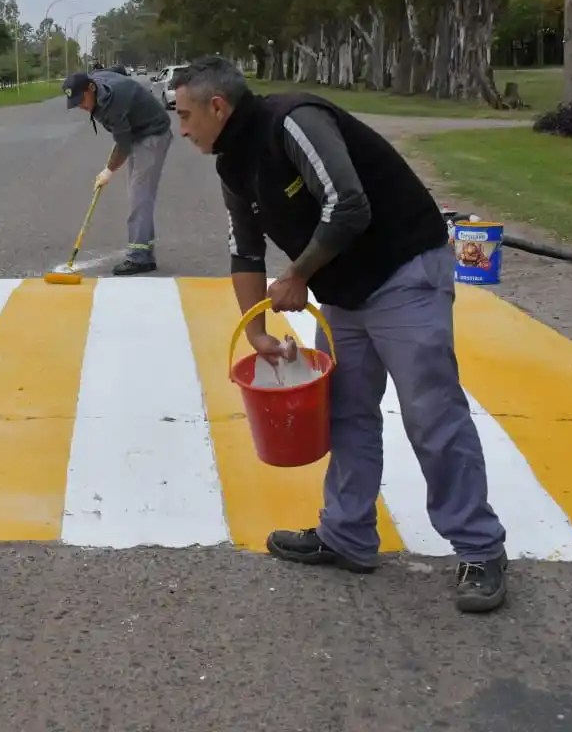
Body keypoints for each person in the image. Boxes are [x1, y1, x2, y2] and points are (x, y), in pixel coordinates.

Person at [168, 56, 508, 614]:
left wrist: (299, 274)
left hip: (403, 272)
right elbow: (245, 251)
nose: (182, 129)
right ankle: (348, 535)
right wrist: (255, 331)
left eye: (185, 116)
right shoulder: (232, 165)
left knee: (431, 412)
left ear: (218, 106)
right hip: (345, 292)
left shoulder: (293, 121)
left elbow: (348, 204)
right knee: (345, 408)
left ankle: (479, 548)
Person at [62, 68, 174, 275]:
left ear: (92, 88)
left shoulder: (114, 103)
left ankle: (140, 258)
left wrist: (109, 171)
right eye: (75, 103)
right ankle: (145, 252)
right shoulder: (97, 86)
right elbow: (114, 71)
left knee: (140, 196)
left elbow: (123, 144)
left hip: (153, 134)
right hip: (137, 132)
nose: (81, 106)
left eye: (81, 100)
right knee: (137, 195)